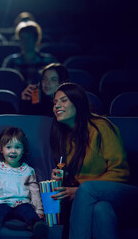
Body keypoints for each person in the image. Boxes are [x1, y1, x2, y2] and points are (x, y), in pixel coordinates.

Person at [49, 83, 130, 239]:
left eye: (63, 100)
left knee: (86, 189)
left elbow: (122, 172)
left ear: (77, 102)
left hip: (123, 194)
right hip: (97, 199)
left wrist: (80, 190)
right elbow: (78, 178)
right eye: (55, 102)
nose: (57, 106)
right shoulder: (64, 137)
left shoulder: (101, 127)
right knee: (102, 210)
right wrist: (61, 179)